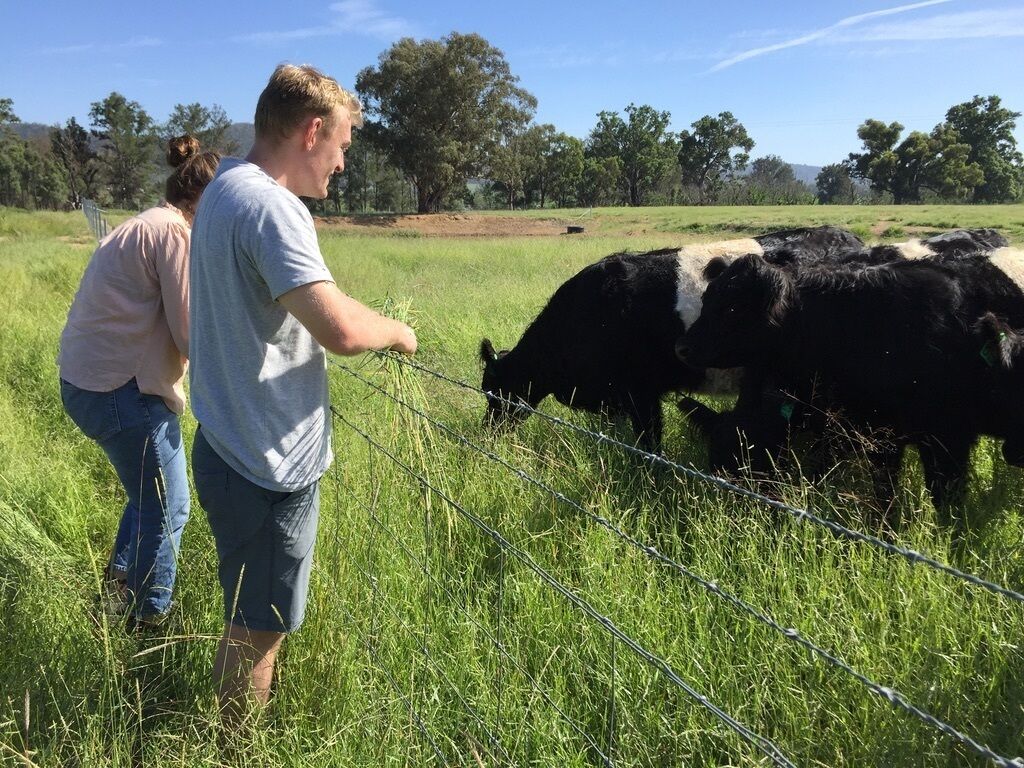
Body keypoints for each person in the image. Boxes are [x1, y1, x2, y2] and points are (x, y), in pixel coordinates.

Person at [188, 64, 416, 722]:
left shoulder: (227, 187)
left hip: (231, 439)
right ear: (313, 131)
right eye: (343, 144)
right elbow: (340, 328)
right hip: (263, 462)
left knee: (251, 617)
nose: (342, 163)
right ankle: (237, 749)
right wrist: (398, 331)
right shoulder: (270, 206)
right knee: (256, 631)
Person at [59, 136, 221, 627]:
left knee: (146, 497)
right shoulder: (175, 233)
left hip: (90, 382)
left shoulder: (147, 222)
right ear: (207, 201)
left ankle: (117, 587)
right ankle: (147, 622)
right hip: (121, 390)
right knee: (170, 508)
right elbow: (191, 332)